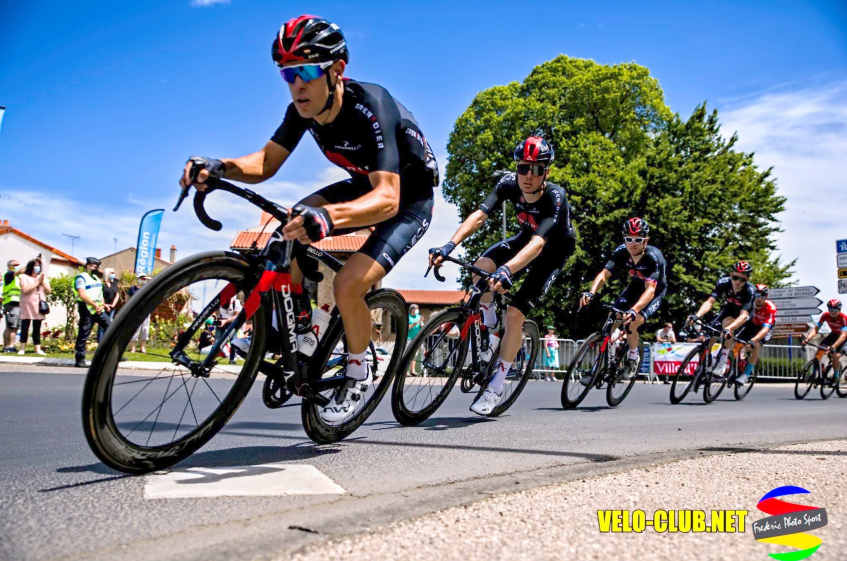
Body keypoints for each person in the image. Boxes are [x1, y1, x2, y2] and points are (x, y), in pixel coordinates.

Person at [180, 15, 438, 423]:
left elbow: (387, 200)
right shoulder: (300, 110)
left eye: (304, 71)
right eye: (287, 74)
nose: (296, 84)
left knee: (350, 283)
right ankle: (304, 328)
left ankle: (357, 371)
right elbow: (266, 162)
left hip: (407, 199)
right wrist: (218, 166)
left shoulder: (371, 106)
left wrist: (328, 218)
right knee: (290, 225)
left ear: (336, 71)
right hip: (361, 183)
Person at [430, 136, 575, 416]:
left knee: (515, 314)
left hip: (551, 251)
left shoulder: (555, 196)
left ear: (547, 172)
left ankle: (496, 385)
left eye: (537, 169)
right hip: (525, 238)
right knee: (479, 271)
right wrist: (449, 245)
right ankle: (491, 325)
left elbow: (539, 244)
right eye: (523, 168)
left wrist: (508, 269)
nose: (528, 176)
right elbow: (479, 215)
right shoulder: (509, 183)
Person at [580, 218, 667, 382]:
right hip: (634, 287)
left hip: (654, 293)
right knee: (611, 320)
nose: (633, 243)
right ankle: (602, 364)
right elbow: (604, 274)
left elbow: (650, 290)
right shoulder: (621, 251)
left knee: (630, 325)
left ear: (646, 240)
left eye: (638, 239)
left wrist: (635, 310)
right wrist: (592, 291)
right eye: (629, 239)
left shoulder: (654, 257)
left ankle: (634, 358)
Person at [686, 261, 756, 376]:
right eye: (735, 277)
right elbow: (710, 302)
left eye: (742, 279)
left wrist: (729, 328)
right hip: (729, 309)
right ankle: (704, 365)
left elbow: (743, 315)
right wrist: (697, 316)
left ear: (747, 279)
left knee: (728, 326)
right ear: (731, 274)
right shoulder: (724, 283)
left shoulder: (750, 290)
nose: (737, 282)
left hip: (743, 315)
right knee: (711, 336)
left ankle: (722, 361)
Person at [732, 284, 777, 384]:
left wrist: (754, 340)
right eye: (757, 295)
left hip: (764, 328)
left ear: (766, 297)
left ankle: (746, 375)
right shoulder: (749, 303)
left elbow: (765, 329)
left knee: (756, 345)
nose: (759, 299)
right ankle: (735, 365)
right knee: (735, 342)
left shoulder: (770, 308)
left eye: (762, 296)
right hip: (752, 324)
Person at [74, 257, 112, 368]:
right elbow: (82, 295)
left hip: (99, 310)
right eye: (95, 267)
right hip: (87, 309)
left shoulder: (96, 278)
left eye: (98, 267)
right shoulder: (82, 278)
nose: (97, 269)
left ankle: (110, 356)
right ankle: (80, 360)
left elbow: (100, 294)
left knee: (111, 328)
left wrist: (103, 305)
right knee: (84, 334)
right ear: (88, 266)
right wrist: (95, 305)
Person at [802, 299, 847, 382]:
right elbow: (816, 329)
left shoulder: (843, 318)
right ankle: (819, 372)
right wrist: (808, 338)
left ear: (839, 310)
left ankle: (836, 376)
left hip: (844, 338)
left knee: (835, 356)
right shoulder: (825, 316)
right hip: (833, 334)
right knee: (820, 350)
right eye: (830, 310)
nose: (832, 312)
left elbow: (843, 335)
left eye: (835, 310)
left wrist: (833, 347)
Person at [18, 258, 51, 355]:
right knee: (25, 326)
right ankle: (22, 348)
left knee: (37, 327)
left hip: (39, 305)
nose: (38, 267)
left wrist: (42, 282)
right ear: (31, 266)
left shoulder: (42, 277)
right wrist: (37, 282)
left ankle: (37, 348)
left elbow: (49, 291)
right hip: (27, 304)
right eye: (36, 265)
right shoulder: (24, 277)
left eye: (39, 265)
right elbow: (25, 290)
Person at [2, 259, 22, 353]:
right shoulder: (9, 274)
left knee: (11, 326)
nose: (18, 266)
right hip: (11, 304)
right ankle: (9, 346)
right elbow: (20, 271)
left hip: (14, 304)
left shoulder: (17, 277)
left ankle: (7, 346)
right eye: (15, 264)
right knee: (12, 327)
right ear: (10, 266)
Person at [128, 273, 151, 353]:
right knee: (135, 329)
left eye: (145, 279)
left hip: (145, 311)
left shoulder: (147, 288)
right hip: (135, 311)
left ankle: (142, 347)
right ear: (138, 279)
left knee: (145, 329)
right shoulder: (132, 289)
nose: (144, 280)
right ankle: (133, 347)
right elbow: (127, 299)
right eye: (142, 278)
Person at [217, 297, 243, 364]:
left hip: (231, 323)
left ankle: (232, 359)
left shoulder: (236, 302)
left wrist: (226, 320)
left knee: (233, 342)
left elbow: (237, 316)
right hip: (221, 321)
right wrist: (218, 318)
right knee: (217, 341)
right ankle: (210, 359)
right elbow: (216, 311)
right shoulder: (220, 300)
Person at [98, 267, 120, 342]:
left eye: (114, 273)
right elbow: (100, 295)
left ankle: (107, 341)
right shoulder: (102, 284)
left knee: (109, 324)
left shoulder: (114, 283)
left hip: (112, 307)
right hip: (103, 307)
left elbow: (117, 294)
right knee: (102, 325)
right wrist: (104, 305)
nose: (113, 274)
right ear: (107, 273)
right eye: (112, 273)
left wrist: (113, 304)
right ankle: (100, 342)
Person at [407, 304, 423, 376]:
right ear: (412, 309)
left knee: (414, 355)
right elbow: (406, 328)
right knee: (407, 354)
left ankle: (413, 371)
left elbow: (422, 326)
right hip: (409, 338)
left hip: (416, 338)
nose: (417, 310)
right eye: (416, 309)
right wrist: (413, 324)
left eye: (417, 309)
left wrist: (421, 322)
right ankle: (405, 371)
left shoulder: (418, 316)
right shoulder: (408, 317)